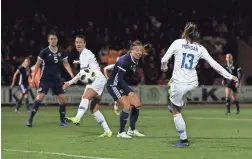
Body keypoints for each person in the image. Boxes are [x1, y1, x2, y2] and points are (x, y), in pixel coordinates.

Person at [161, 22, 238, 147]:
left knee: (175, 110)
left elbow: (164, 59)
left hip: (179, 83)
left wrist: (164, 68)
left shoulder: (177, 43)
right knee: (179, 97)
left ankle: (183, 140)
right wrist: (230, 76)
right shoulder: (200, 48)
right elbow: (215, 65)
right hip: (192, 83)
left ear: (184, 32)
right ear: (196, 35)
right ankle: (179, 102)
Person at [63, 35, 112, 138]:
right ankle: (108, 131)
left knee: (85, 97)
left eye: (80, 42)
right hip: (98, 79)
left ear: (85, 43)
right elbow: (89, 63)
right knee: (94, 109)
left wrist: (70, 82)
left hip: (96, 79)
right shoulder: (86, 53)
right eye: (76, 42)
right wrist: (79, 61)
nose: (78, 44)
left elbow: (82, 73)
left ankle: (77, 117)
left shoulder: (84, 54)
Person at [26, 32, 74, 127]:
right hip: (45, 79)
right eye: (51, 39)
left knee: (62, 99)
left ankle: (62, 121)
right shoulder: (44, 51)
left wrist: (71, 74)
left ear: (57, 40)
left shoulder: (61, 51)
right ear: (48, 40)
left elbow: (66, 63)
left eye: (54, 39)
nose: (53, 40)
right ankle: (30, 120)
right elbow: (37, 65)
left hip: (56, 79)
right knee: (40, 97)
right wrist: (32, 78)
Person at [106, 40, 148, 138]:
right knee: (127, 106)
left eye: (140, 50)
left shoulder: (136, 60)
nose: (139, 52)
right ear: (131, 51)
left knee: (137, 104)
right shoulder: (124, 60)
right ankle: (121, 132)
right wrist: (129, 91)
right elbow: (119, 79)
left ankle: (132, 130)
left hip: (121, 84)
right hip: (114, 85)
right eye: (136, 50)